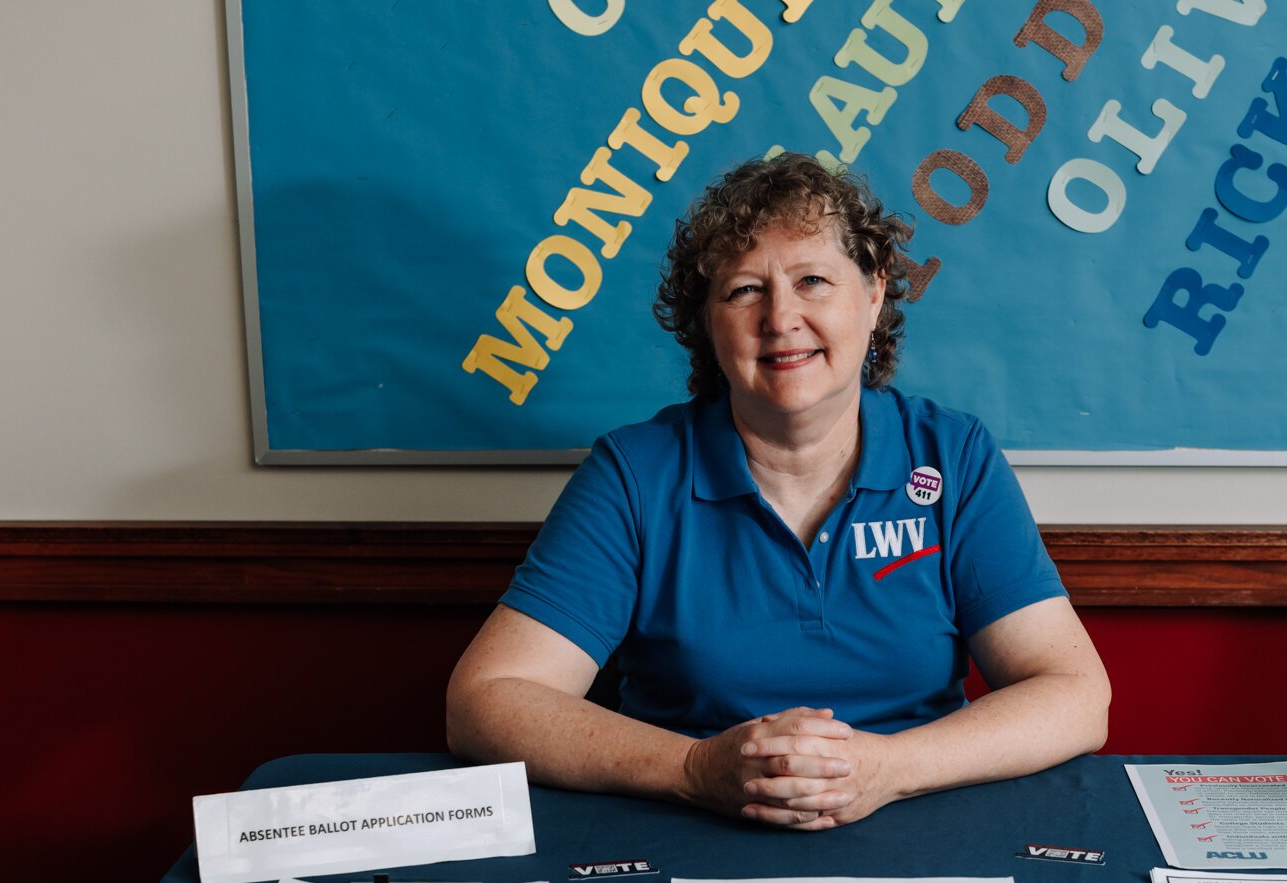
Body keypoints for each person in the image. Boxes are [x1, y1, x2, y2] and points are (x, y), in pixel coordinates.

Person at [447, 153, 1109, 830]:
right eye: (743, 291)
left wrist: (888, 769)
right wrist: (696, 769)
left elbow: (1077, 694)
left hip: (919, 823)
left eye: (813, 280)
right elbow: (486, 700)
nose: (780, 317)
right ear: (707, 323)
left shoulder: (954, 457)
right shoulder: (634, 472)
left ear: (875, 294)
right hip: (684, 831)